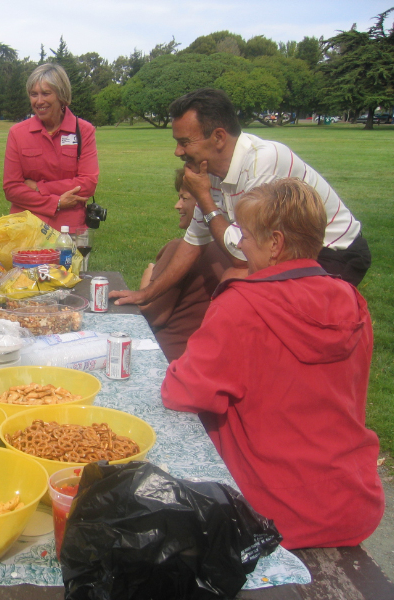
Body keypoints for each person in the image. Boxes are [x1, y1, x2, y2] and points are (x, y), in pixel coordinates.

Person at [161, 179, 383, 549]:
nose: (240, 243)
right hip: (351, 502)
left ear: (275, 244)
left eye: (245, 234)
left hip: (270, 511)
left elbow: (181, 392)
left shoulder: (243, 306)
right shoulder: (352, 301)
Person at [111, 88, 370, 307]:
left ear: (219, 137)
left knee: (255, 295)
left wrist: (202, 196)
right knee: (237, 284)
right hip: (283, 249)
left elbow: (242, 255)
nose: (177, 151)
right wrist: (146, 294)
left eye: (185, 142)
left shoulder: (263, 161)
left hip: (335, 250)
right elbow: (192, 243)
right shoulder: (209, 169)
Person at [139, 169, 232, 362]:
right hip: (212, 359)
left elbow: (152, 315)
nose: (177, 205)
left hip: (168, 359)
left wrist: (148, 275)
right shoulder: (238, 253)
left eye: (184, 198)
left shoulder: (179, 250)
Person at [3, 63, 98, 230]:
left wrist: (39, 187)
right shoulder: (17, 133)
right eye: (34, 94)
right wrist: (58, 202)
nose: (39, 101)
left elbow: (88, 183)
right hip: (26, 229)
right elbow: (12, 188)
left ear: (61, 95)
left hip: (70, 231)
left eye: (46, 93)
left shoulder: (84, 131)